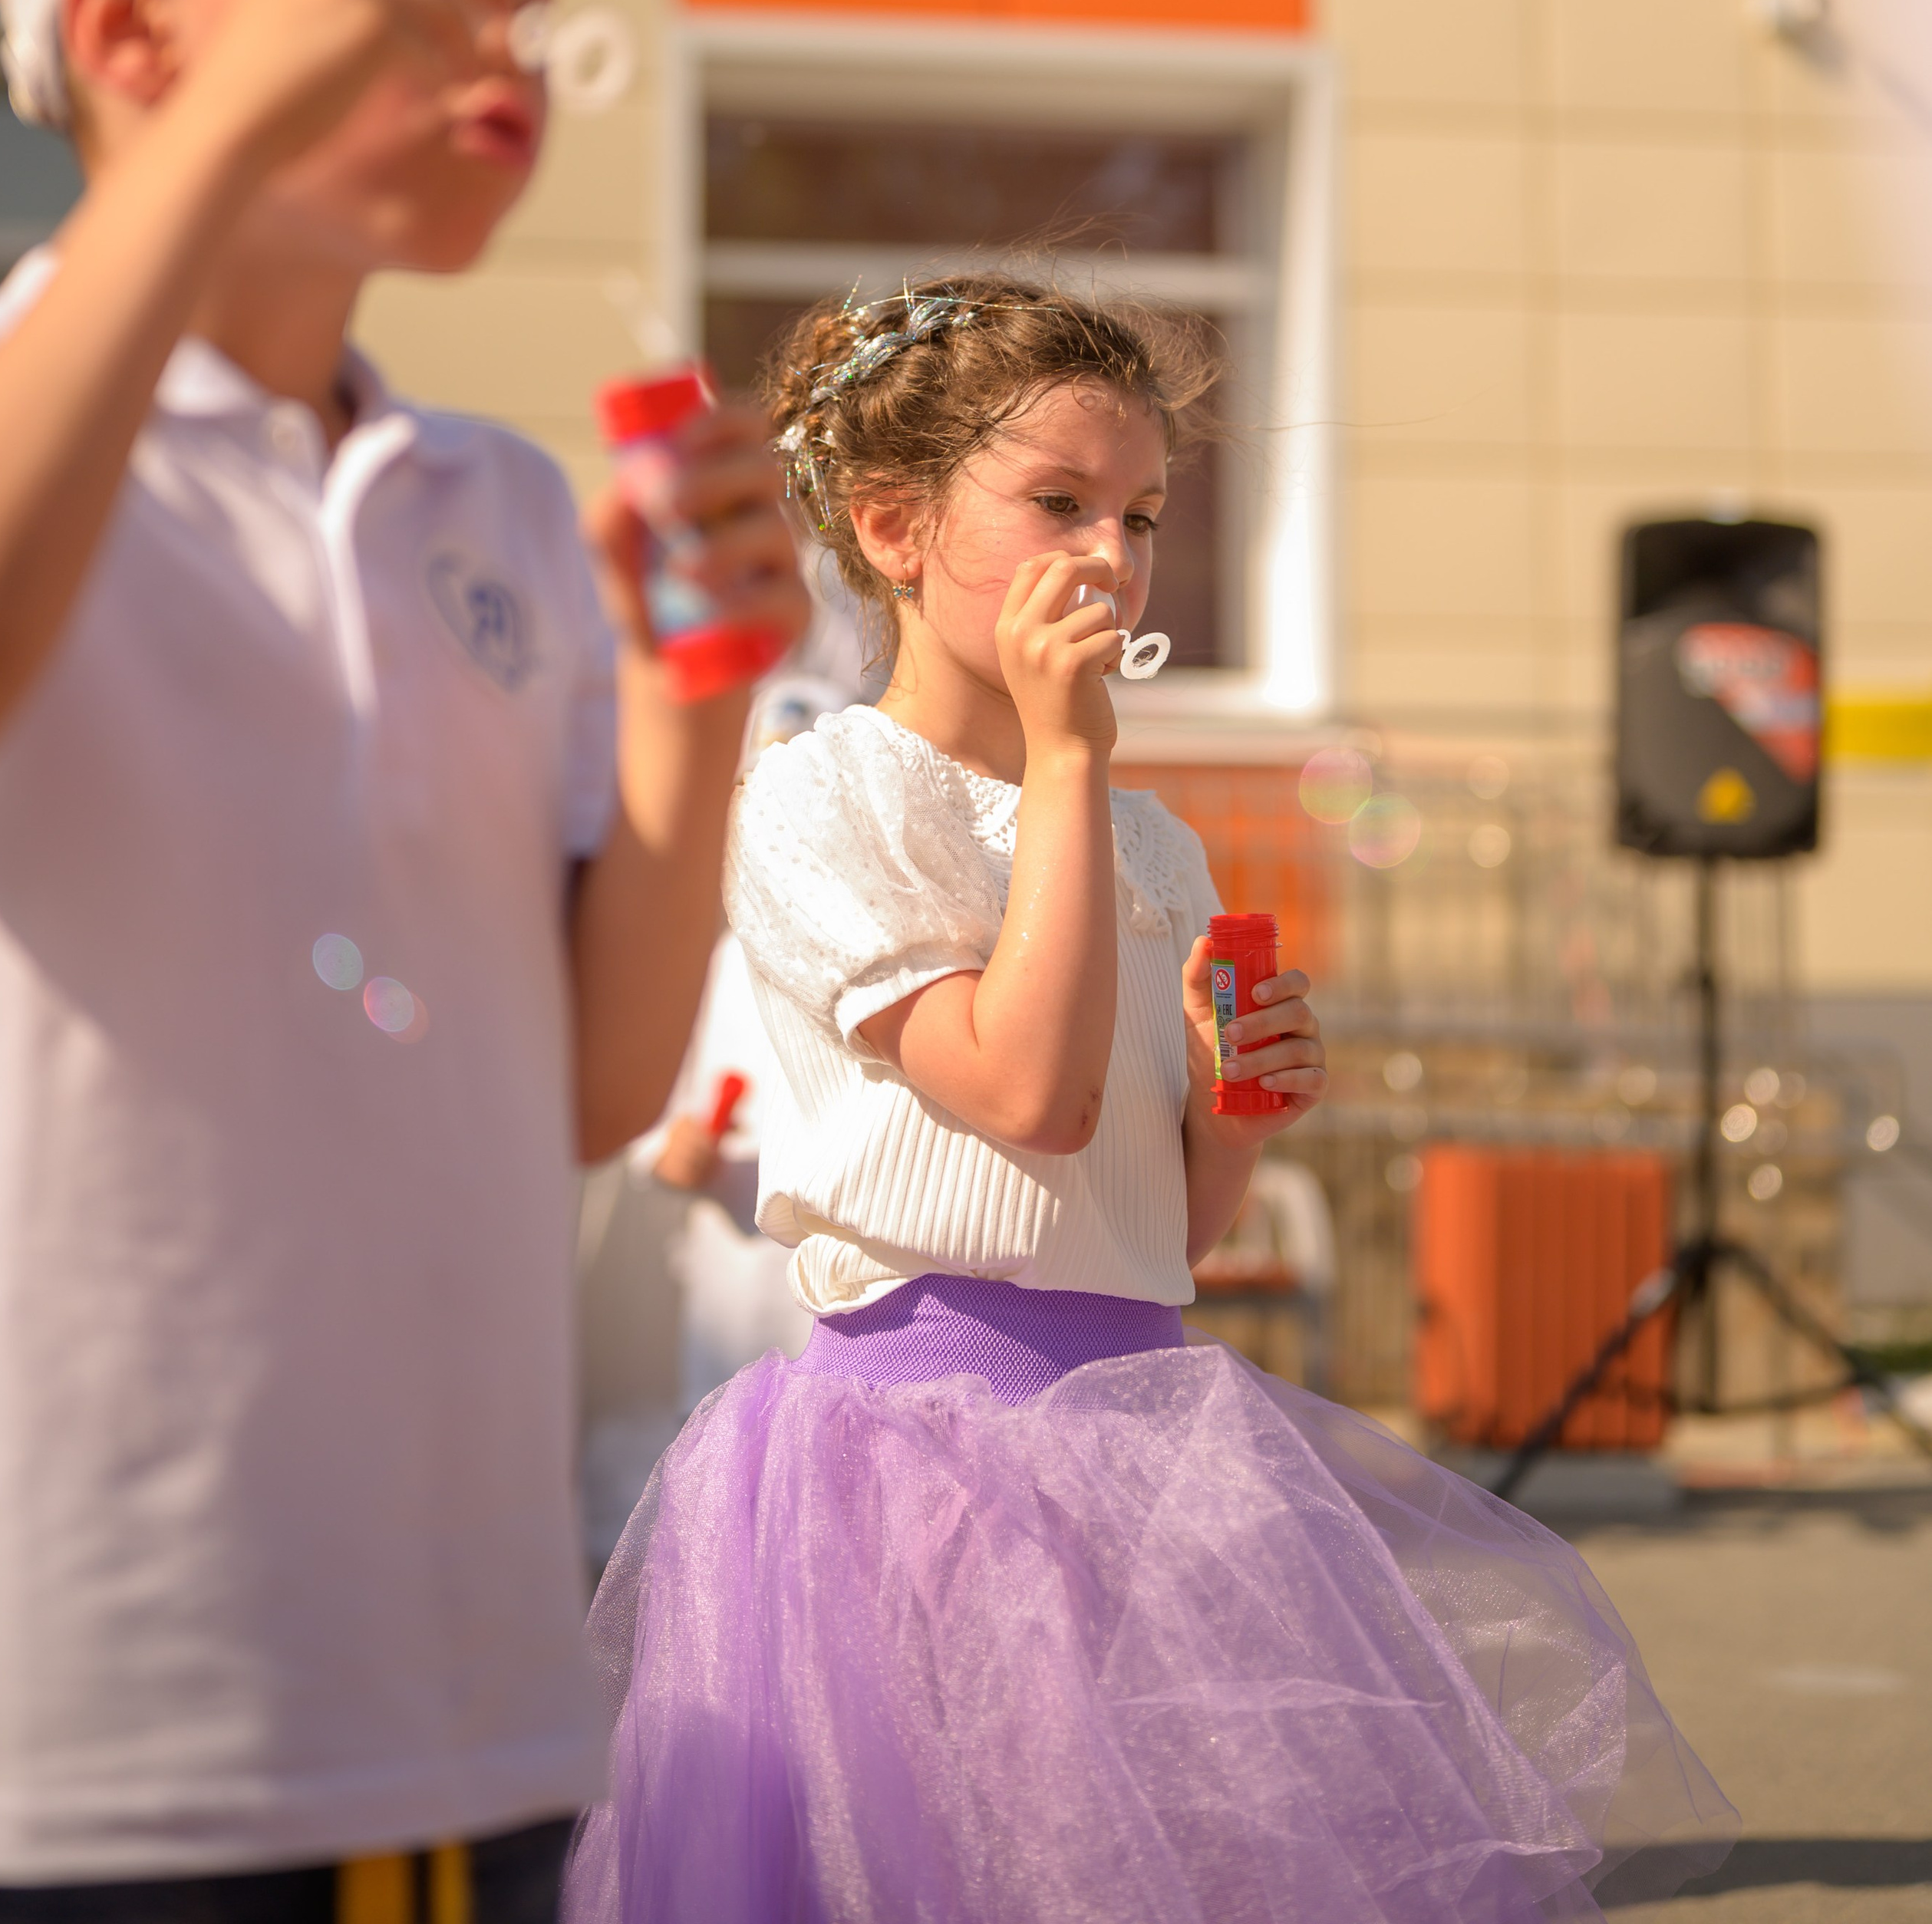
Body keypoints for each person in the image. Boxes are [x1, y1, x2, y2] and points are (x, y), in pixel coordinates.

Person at [565, 278, 1737, 1924]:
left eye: (1140, 513)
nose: (1108, 554)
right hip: (912, 1463)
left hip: (1142, 1436)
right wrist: (1063, 762)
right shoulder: (828, 790)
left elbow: (1149, 1230)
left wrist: (1228, 1124)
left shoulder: (1147, 840)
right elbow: (1024, 1095)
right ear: (894, 527)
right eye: (1055, 504)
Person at [0, 0, 806, 1922]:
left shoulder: (496, 509)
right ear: (133, 32)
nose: (504, 49)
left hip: (463, 1707)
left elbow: (587, 1080)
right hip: (68, 1743)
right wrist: (220, 143)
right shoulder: (10, 431)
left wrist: (682, 704)